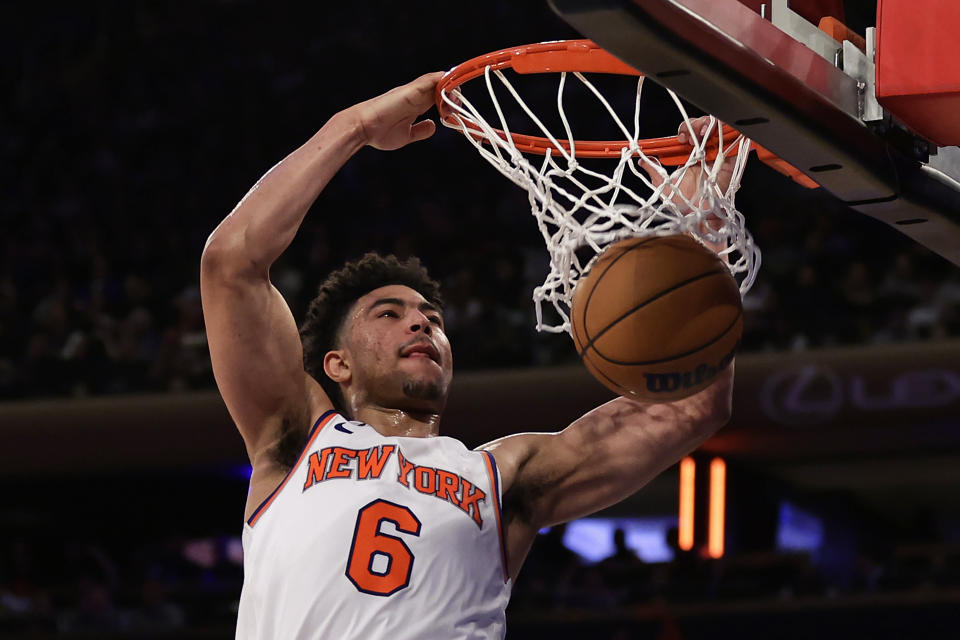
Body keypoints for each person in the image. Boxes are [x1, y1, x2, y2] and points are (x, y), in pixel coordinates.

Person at [200, 72, 734, 639]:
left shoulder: (501, 476)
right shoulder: (297, 440)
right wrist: (353, 127)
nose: (420, 322)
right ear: (337, 365)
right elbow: (230, 262)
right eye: (389, 313)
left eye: (432, 318)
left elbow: (688, 408)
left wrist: (701, 231)